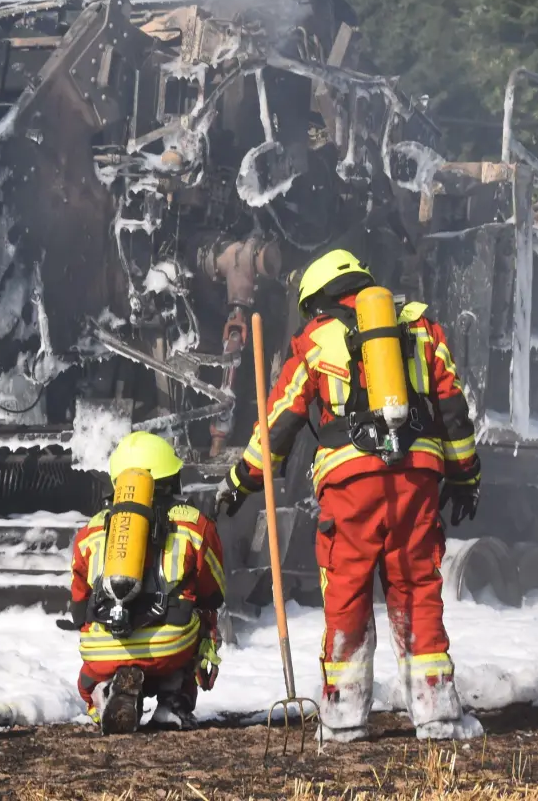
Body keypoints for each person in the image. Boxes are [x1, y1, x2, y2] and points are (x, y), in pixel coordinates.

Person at [217, 249, 483, 742]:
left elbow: (280, 423)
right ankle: (438, 715)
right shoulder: (421, 329)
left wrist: (243, 479)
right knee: (417, 591)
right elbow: (453, 406)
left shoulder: (316, 340)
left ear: (317, 298)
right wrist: (465, 474)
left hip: (350, 487)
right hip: (415, 479)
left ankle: (342, 719)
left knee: (348, 594)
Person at [66, 432, 226, 734]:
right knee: (198, 615)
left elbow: (77, 608)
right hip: (168, 647)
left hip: (102, 650)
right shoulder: (193, 524)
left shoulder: (91, 531)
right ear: (171, 477)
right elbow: (213, 592)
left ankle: (103, 692)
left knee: (91, 673)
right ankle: (173, 701)